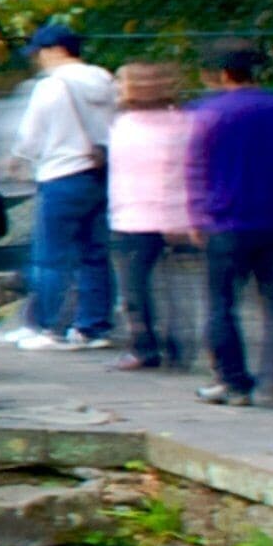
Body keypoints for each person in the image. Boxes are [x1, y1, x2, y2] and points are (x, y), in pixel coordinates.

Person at [189, 39, 273, 409]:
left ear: (221, 73)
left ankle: (234, 383)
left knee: (221, 304)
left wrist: (195, 214)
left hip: (224, 221)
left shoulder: (204, 112)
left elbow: (192, 167)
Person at [1, 22, 118, 351]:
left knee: (50, 257)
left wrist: (19, 157)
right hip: (100, 171)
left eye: (40, 52)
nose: (38, 59)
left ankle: (47, 326)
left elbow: (31, 135)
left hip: (61, 174)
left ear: (56, 50)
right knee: (95, 253)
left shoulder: (52, 86)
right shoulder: (106, 80)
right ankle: (94, 327)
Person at [104, 61, 195, 372]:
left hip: (134, 215)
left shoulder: (122, 126)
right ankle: (178, 343)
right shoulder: (184, 122)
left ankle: (144, 347)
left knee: (136, 287)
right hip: (177, 213)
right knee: (175, 283)